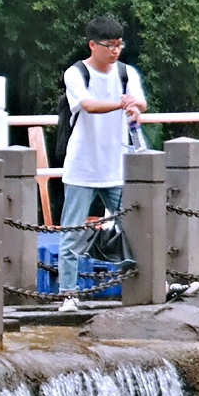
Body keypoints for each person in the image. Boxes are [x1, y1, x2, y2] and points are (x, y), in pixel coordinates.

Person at [56, 16, 148, 307]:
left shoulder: (126, 72)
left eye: (120, 45)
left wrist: (135, 107)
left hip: (117, 166)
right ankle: (68, 294)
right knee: (72, 233)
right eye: (110, 45)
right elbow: (88, 105)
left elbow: (141, 101)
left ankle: (150, 287)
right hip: (82, 167)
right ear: (92, 45)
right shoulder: (76, 73)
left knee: (136, 229)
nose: (115, 51)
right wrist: (122, 104)